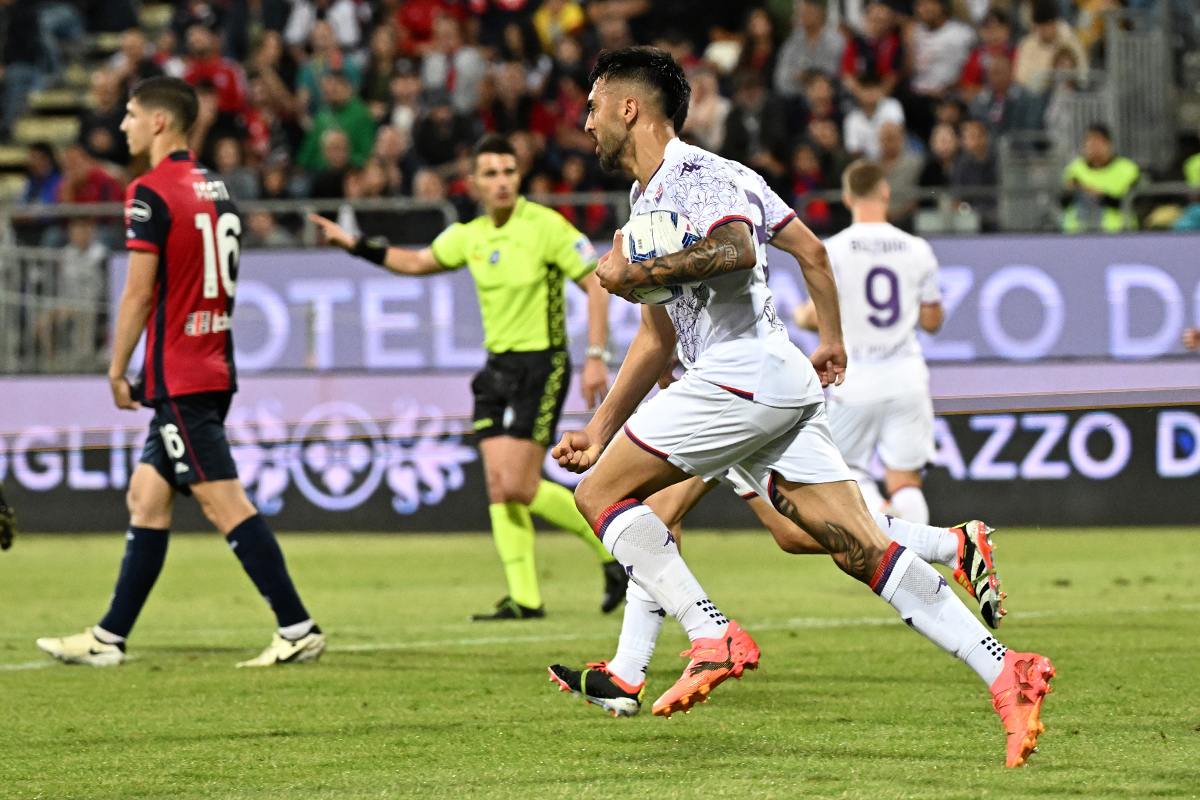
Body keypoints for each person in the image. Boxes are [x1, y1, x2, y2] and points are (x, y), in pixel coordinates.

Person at [551, 46, 1052, 767]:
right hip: (772, 379)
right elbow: (673, 327)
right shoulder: (646, 201)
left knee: (601, 497)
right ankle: (1005, 669)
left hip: (741, 374)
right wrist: (600, 427)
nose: (585, 120)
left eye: (594, 105)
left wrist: (636, 270)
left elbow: (734, 252)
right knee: (860, 548)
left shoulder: (697, 176)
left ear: (630, 107)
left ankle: (709, 633)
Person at [36, 77, 325, 668]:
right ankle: (108, 637)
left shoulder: (150, 190)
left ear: (160, 123)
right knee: (146, 497)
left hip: (180, 376)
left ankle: (297, 626)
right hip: (213, 361)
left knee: (223, 504)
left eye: (132, 114)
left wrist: (117, 368)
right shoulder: (218, 188)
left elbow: (138, 295)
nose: (124, 126)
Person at [308, 133, 628, 621]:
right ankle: (525, 598)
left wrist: (596, 355)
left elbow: (596, 285)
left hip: (542, 364)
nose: (501, 182)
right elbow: (416, 262)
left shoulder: (546, 227)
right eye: (491, 174)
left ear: (518, 177)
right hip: (496, 368)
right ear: (474, 183)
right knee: (500, 486)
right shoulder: (471, 235)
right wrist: (353, 244)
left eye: (508, 172)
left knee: (520, 485)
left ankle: (612, 552)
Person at [795, 161, 947, 532]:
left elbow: (815, 316)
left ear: (847, 198)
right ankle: (921, 563)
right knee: (906, 479)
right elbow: (932, 321)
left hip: (855, 379)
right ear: (885, 192)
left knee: (848, 473)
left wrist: (801, 316)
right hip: (906, 376)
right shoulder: (917, 249)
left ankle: (885, 523)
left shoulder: (832, 250)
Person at [1061, 124, 1140, 232]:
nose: (1093, 147)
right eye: (1089, 143)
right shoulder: (1075, 169)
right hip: (1077, 236)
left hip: (1117, 234)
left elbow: (1134, 203)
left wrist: (1100, 197)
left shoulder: (1127, 169)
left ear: (1108, 144)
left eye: (1097, 142)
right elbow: (1063, 203)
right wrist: (1075, 191)